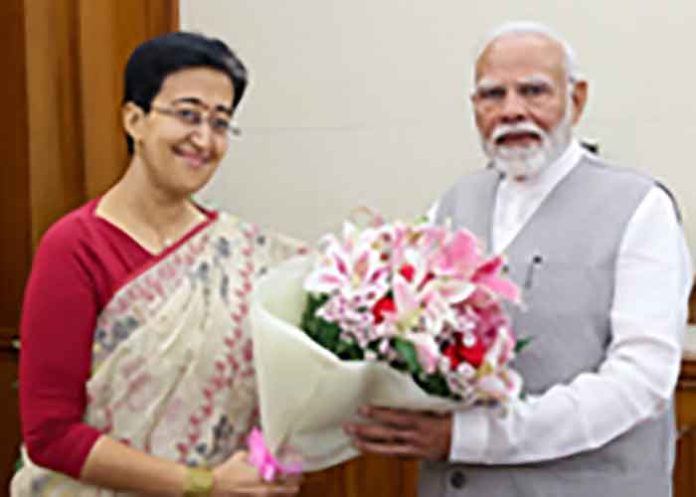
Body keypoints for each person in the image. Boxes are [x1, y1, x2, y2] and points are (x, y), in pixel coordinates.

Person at [345, 21, 692, 496]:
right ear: (474, 107)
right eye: (493, 95)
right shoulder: (450, 206)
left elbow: (640, 381)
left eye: (533, 91)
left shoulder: (640, 207)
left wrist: (473, 437)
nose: (512, 111)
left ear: (577, 98)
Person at [12, 32, 302, 497]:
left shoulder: (242, 253)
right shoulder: (76, 247)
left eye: (220, 122)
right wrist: (202, 485)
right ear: (135, 120)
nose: (203, 139)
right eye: (187, 115)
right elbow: (50, 435)